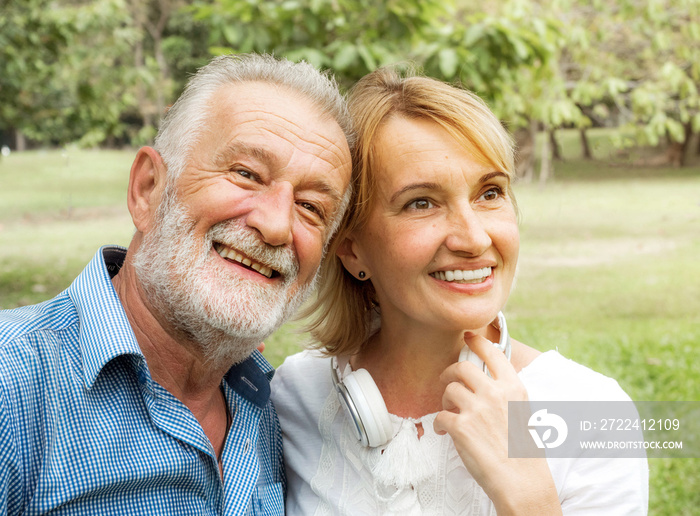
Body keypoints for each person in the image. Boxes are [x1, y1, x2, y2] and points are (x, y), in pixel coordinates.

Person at [270, 68, 649, 515]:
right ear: (353, 251)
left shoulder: (594, 412)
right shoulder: (291, 394)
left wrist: (528, 496)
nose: (473, 239)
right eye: (421, 202)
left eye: (490, 193)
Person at [0, 53, 353, 515]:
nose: (277, 226)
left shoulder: (274, 410)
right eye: (246, 174)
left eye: (311, 206)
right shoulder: (14, 384)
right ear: (148, 188)